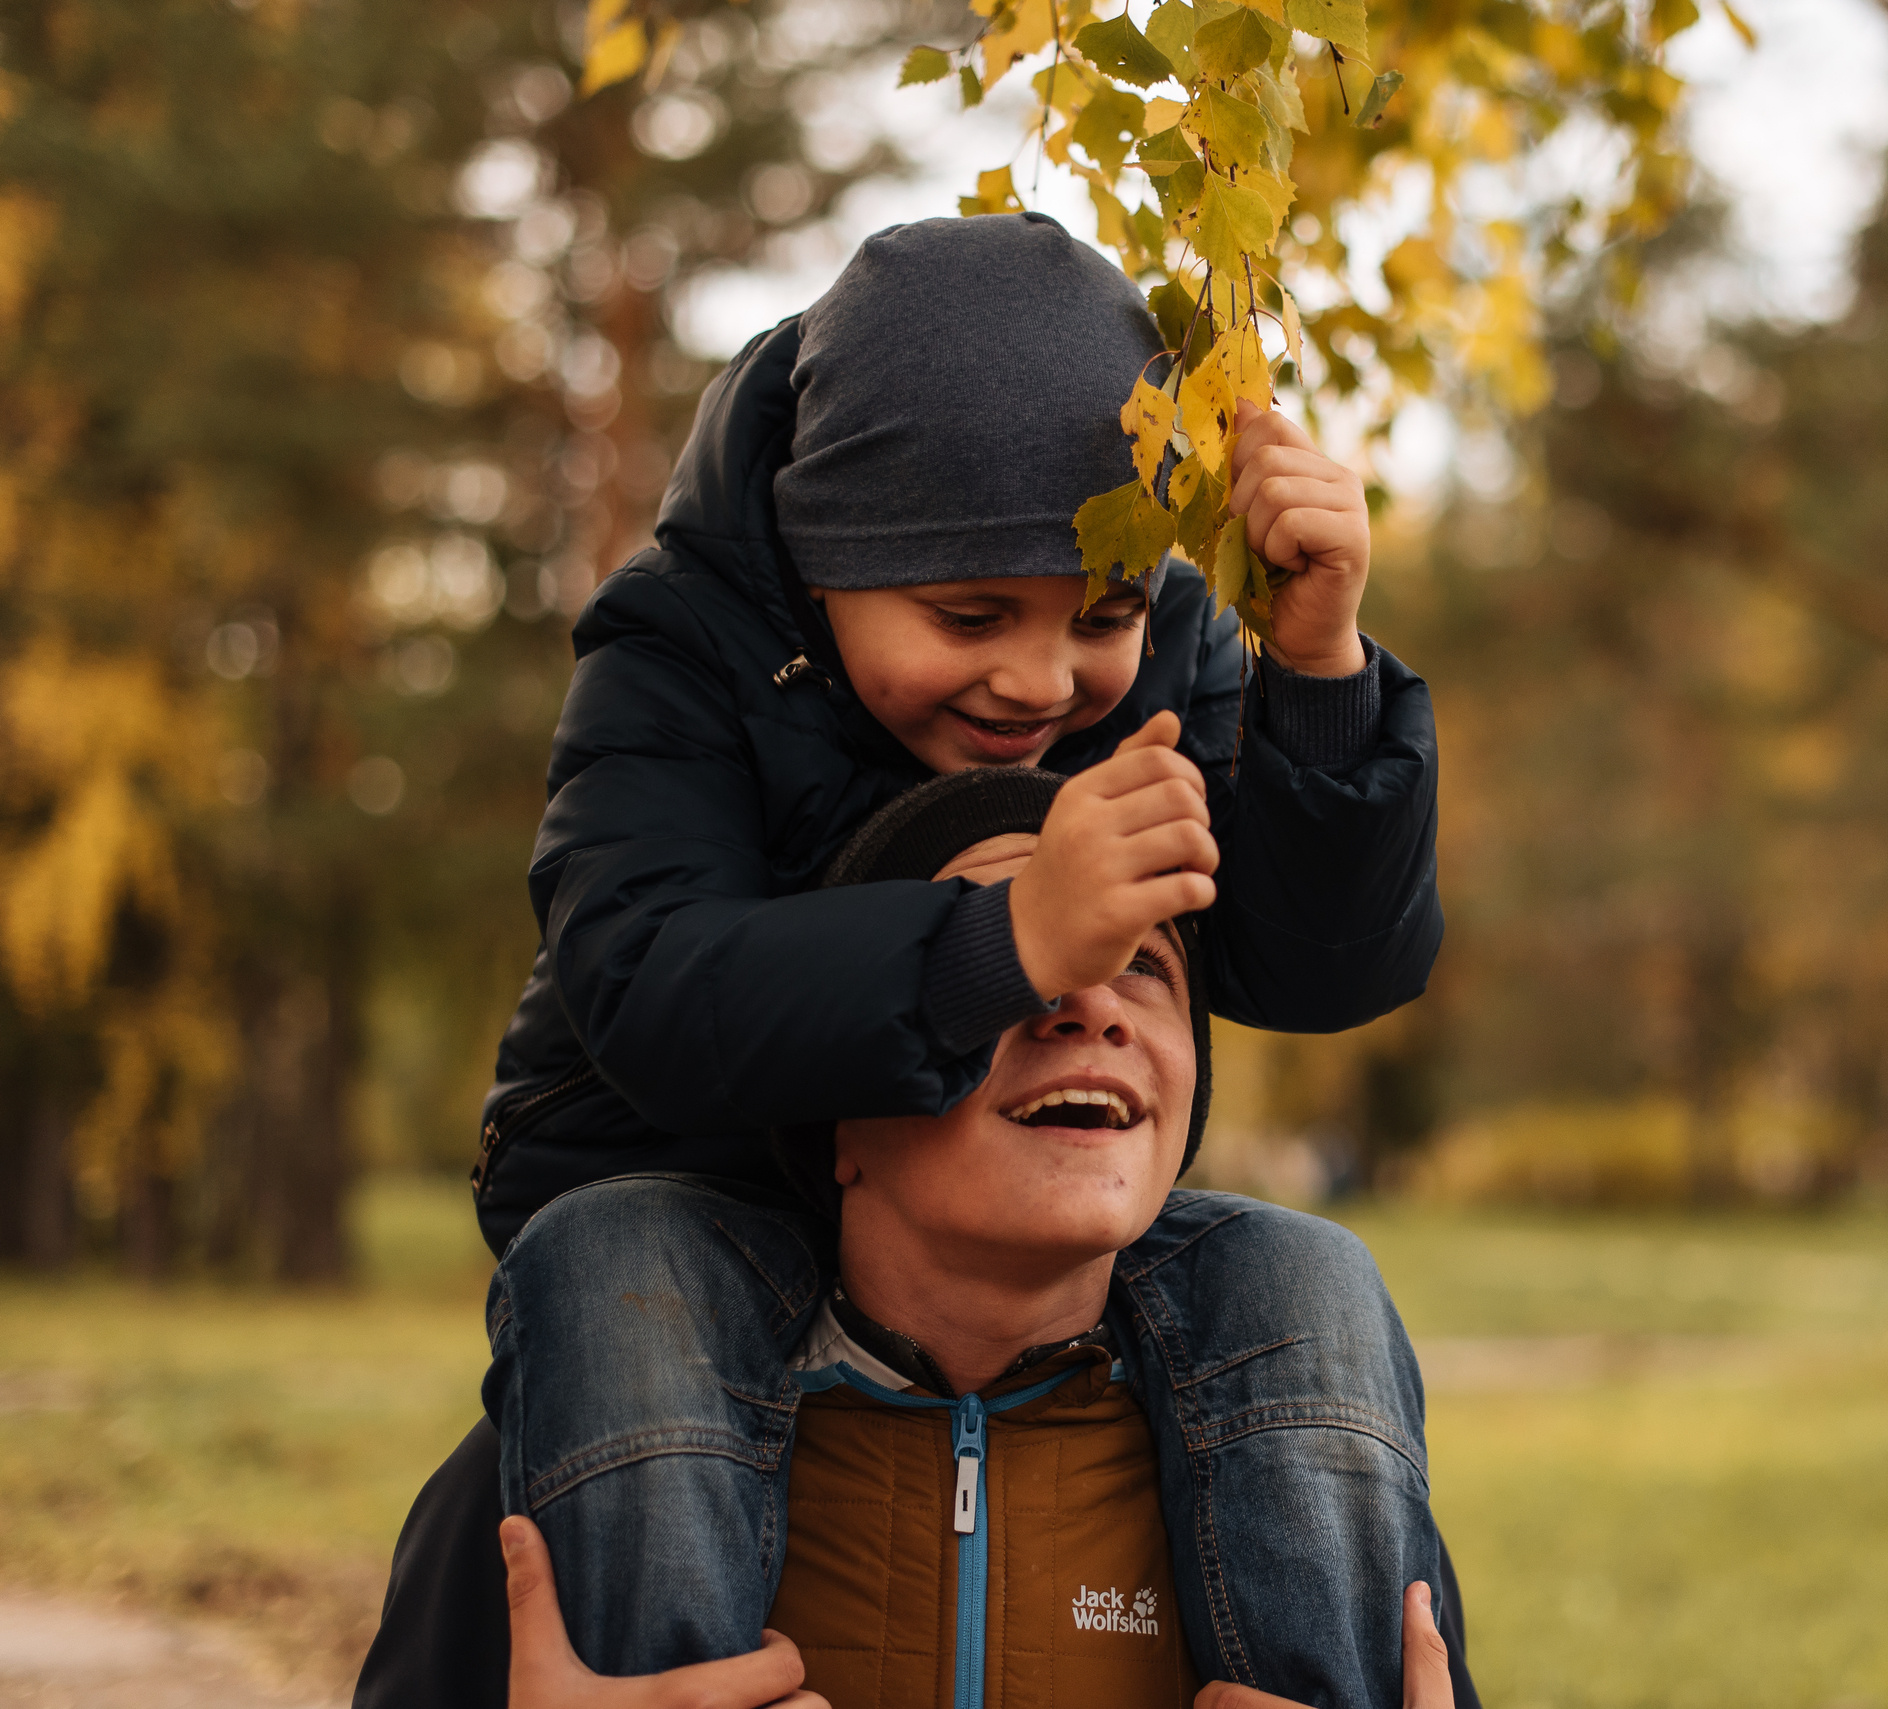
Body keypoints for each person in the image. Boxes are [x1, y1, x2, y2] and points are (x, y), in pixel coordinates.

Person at [357, 213, 1445, 1708]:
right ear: (824, 557)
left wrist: (1318, 676)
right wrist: (1003, 939)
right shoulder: (686, 646)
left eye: (1105, 616)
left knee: (1298, 1276)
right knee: (619, 1279)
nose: (1042, 679)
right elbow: (646, 978)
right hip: (686, 1171)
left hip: (1013, 1212)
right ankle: (674, 1679)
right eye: (969, 614)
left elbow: (1312, 965)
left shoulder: (1170, 653)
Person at [358, 772, 1472, 1709]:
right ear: (838, 1116)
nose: (1089, 1004)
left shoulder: (1308, 1465)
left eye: (1143, 961)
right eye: (1003, 953)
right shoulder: (581, 1462)